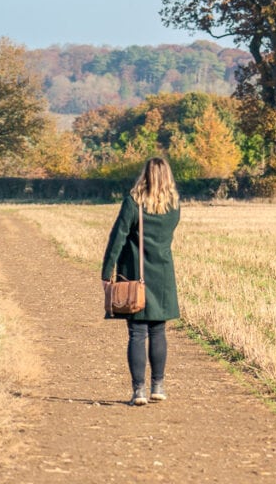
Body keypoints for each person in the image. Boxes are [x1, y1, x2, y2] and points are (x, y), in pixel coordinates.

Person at [101, 156, 181, 406]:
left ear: (144, 176)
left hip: (136, 275)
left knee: (137, 333)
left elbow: (117, 239)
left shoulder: (133, 203)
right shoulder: (174, 206)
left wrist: (107, 273)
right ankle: (158, 385)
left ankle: (139, 391)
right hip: (163, 276)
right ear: (168, 177)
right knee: (158, 331)